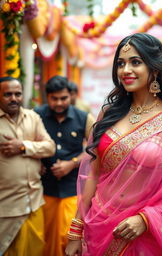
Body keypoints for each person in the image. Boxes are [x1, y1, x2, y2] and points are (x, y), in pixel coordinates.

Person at [65, 33, 162, 256]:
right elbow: (93, 175)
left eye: (135, 62)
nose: (125, 70)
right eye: (121, 63)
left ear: (155, 69)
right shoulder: (108, 114)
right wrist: (75, 232)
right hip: (98, 227)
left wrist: (147, 220)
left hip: (146, 235)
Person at [34, 76, 95, 256]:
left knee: (68, 236)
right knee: (44, 237)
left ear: (71, 96)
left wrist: (72, 163)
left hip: (72, 189)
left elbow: (94, 149)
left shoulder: (84, 118)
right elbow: (28, 143)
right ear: (47, 97)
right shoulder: (36, 115)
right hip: (45, 189)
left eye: (64, 98)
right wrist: (36, 163)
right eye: (54, 99)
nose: (59, 103)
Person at [0, 77, 55, 255]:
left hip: (34, 201)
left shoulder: (32, 117)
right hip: (6, 205)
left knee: (34, 250)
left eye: (18, 94)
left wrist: (23, 146)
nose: (14, 98)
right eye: (8, 94)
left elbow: (50, 147)